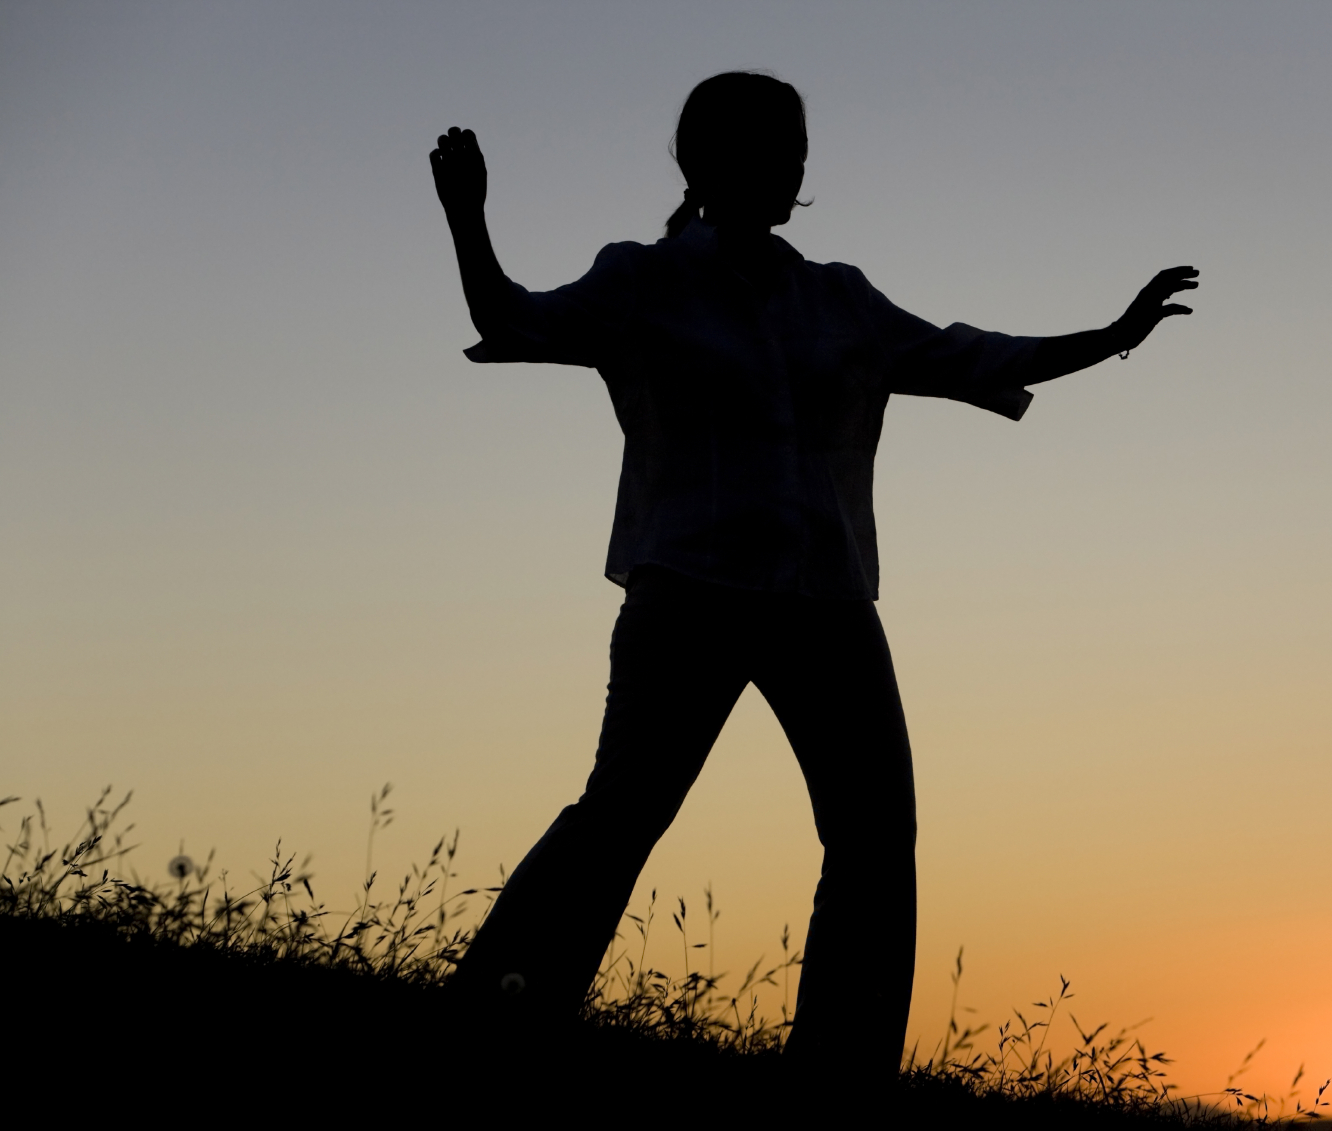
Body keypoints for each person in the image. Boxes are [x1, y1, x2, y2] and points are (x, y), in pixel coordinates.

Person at [431, 71, 1197, 1081]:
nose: (791, 167)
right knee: (621, 812)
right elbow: (515, 317)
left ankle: (844, 1067)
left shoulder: (839, 298)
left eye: (796, 149)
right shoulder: (643, 280)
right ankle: (502, 1010)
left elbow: (970, 354)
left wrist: (1112, 337)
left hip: (827, 604)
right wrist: (468, 217)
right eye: (769, 148)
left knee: (875, 834)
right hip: (690, 589)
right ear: (706, 164)